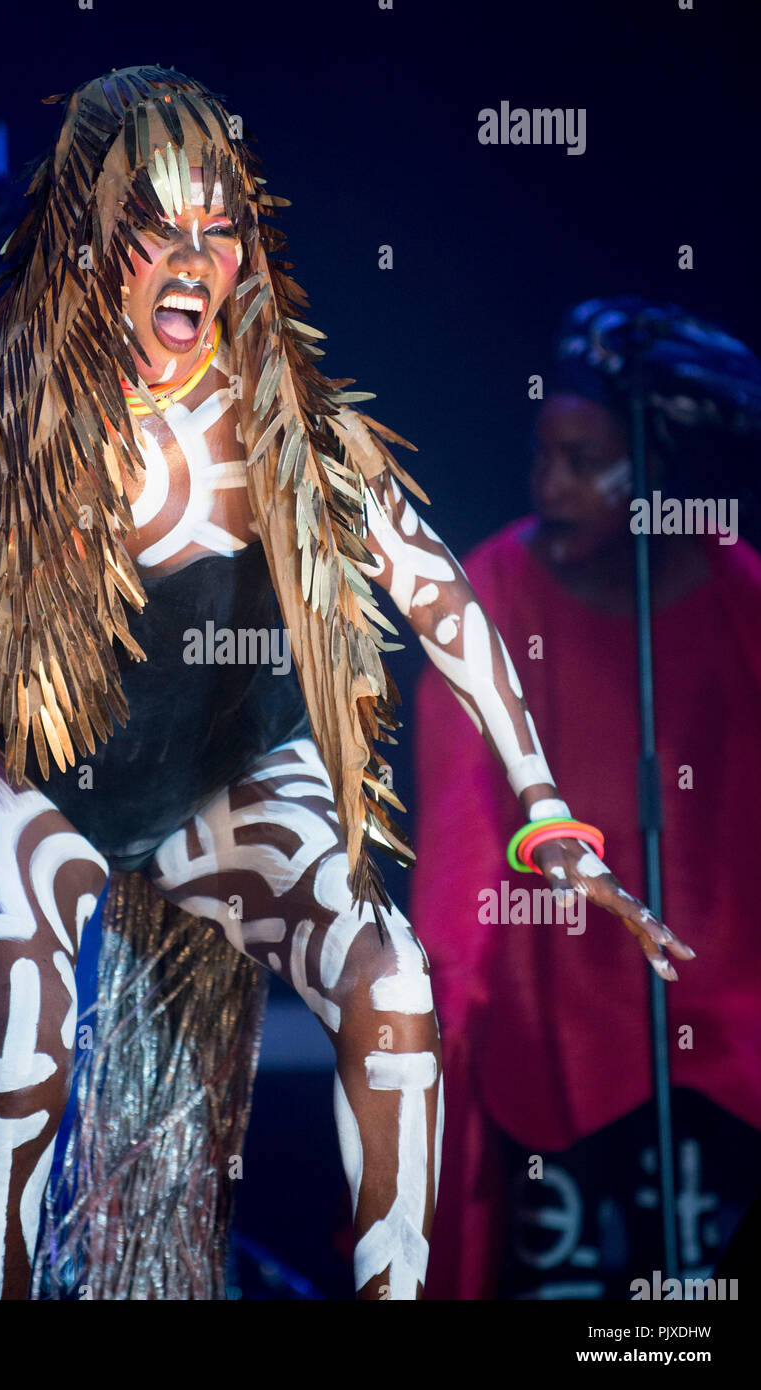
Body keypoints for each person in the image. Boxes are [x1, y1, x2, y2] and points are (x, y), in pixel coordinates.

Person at [0, 75, 690, 1302]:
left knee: (391, 987)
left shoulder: (281, 420)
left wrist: (546, 813)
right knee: (21, 1065)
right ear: (89, 236)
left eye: (217, 232)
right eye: (157, 230)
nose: (193, 262)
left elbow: (435, 595)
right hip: (35, 760)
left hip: (223, 758)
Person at [414, 297, 761, 1299]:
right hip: (549, 1034)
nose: (549, 484)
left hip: (719, 1041)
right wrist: (448, 1007)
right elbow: (460, 832)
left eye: (584, 461)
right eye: (544, 455)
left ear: (658, 474)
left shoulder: (736, 594)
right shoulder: (495, 589)